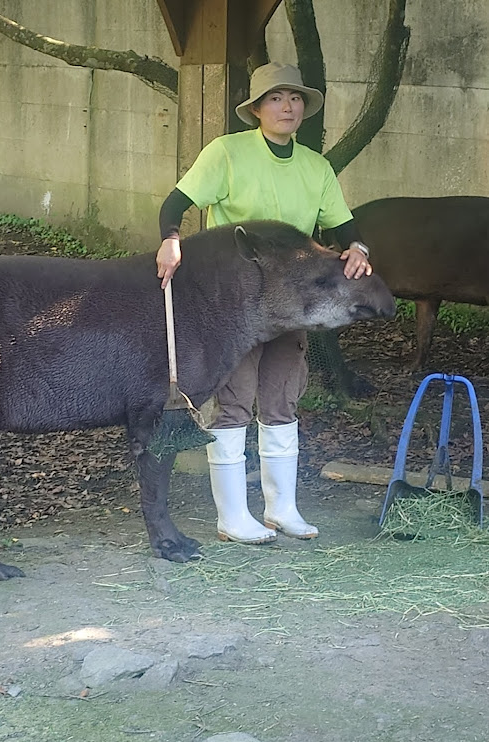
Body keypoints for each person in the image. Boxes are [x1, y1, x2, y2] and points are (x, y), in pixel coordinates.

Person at [156, 62, 372, 546]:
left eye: (295, 98)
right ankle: (232, 516)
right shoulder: (227, 153)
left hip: (290, 304)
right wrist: (171, 240)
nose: (287, 106)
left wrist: (358, 249)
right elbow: (175, 203)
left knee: (283, 401)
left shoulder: (316, 166)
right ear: (256, 110)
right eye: (276, 98)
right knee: (233, 403)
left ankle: (283, 509)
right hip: (232, 304)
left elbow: (344, 227)